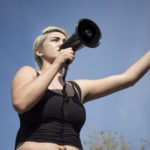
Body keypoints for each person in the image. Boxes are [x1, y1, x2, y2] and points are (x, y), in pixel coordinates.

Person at [11, 26, 150, 150]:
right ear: (39, 52)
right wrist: (56, 65)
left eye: (64, 40)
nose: (61, 43)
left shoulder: (78, 88)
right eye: (55, 40)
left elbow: (129, 78)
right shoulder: (29, 72)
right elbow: (21, 103)